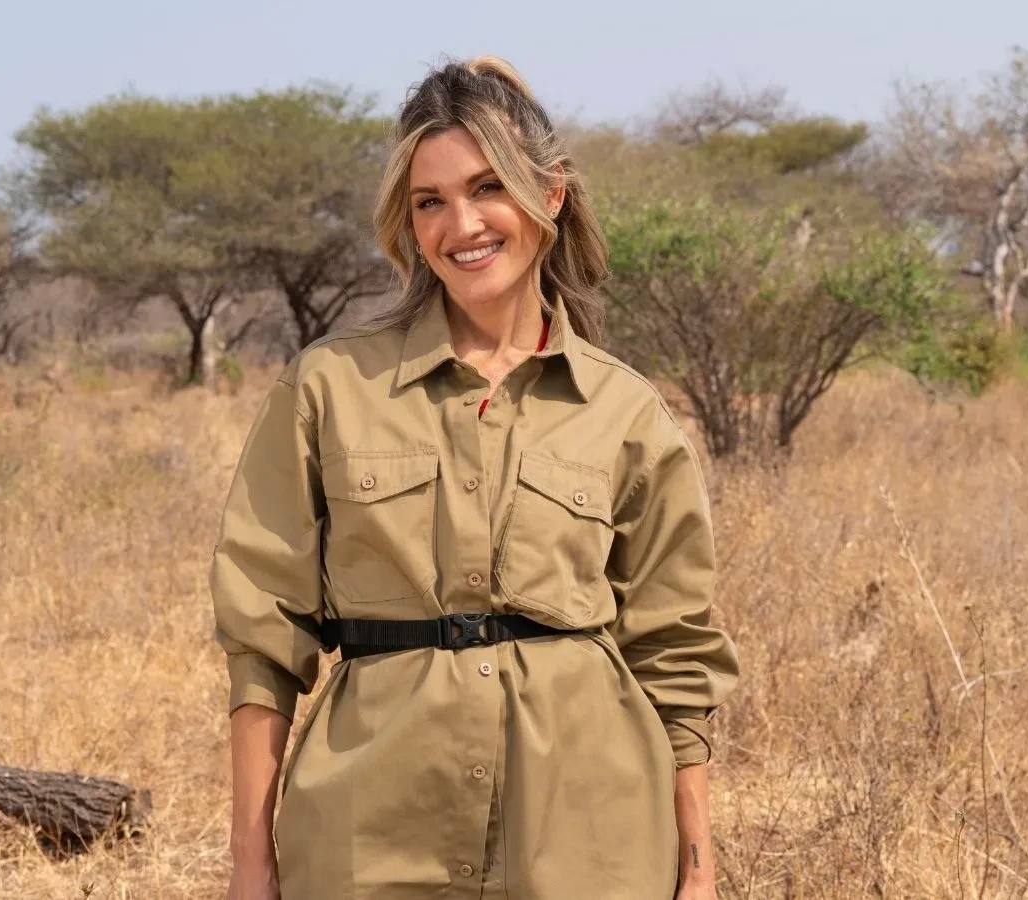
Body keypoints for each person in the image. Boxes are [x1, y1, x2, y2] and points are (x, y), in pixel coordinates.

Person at [212, 55, 741, 900]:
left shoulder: (627, 412)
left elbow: (676, 657)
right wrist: (249, 865)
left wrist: (700, 874)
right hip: (367, 834)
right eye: (431, 201)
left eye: (488, 187)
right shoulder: (328, 388)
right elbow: (260, 641)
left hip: (590, 841)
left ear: (551, 194)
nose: (462, 224)